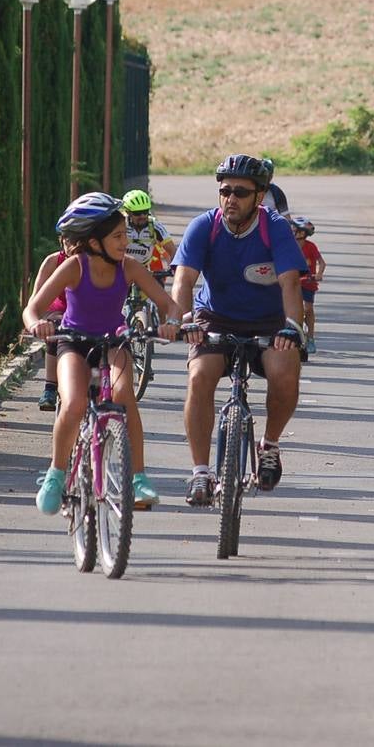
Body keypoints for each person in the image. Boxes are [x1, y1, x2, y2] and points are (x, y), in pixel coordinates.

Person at [23, 192, 186, 513]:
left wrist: (171, 322)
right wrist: (37, 324)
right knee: (73, 402)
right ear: (94, 241)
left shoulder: (129, 268)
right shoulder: (73, 267)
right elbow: (33, 307)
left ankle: (138, 477)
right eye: (118, 236)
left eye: (126, 234)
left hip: (114, 342)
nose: (126, 242)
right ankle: (56, 474)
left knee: (125, 395)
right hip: (74, 341)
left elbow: (168, 305)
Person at [172, 154, 309, 505]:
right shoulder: (204, 226)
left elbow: (290, 283)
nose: (230, 198)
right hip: (214, 318)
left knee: (284, 370)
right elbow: (184, 280)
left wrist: (292, 328)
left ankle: (270, 445)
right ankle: (201, 473)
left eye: (241, 192)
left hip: (270, 320)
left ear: (259, 197)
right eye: (225, 190)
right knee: (199, 376)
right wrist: (184, 320)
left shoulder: (274, 227)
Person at [32, 234, 76, 412]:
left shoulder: (93, 262)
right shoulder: (53, 261)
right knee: (55, 332)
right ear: (61, 240)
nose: (71, 245)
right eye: (67, 240)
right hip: (58, 311)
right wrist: (38, 321)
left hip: (83, 313)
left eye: (76, 240)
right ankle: (50, 387)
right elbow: (35, 298)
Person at [290, 216, 325, 354]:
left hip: (308, 283)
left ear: (302, 233)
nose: (292, 232)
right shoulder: (288, 246)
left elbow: (322, 263)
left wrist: (319, 274)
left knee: (308, 309)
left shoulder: (311, 247)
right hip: (292, 282)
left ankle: (310, 338)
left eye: (295, 230)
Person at [121, 188, 176, 275]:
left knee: (157, 285)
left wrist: (175, 267)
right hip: (121, 267)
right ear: (128, 212)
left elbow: (172, 250)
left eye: (145, 211)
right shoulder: (120, 225)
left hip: (144, 268)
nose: (142, 216)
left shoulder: (155, 226)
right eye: (137, 213)